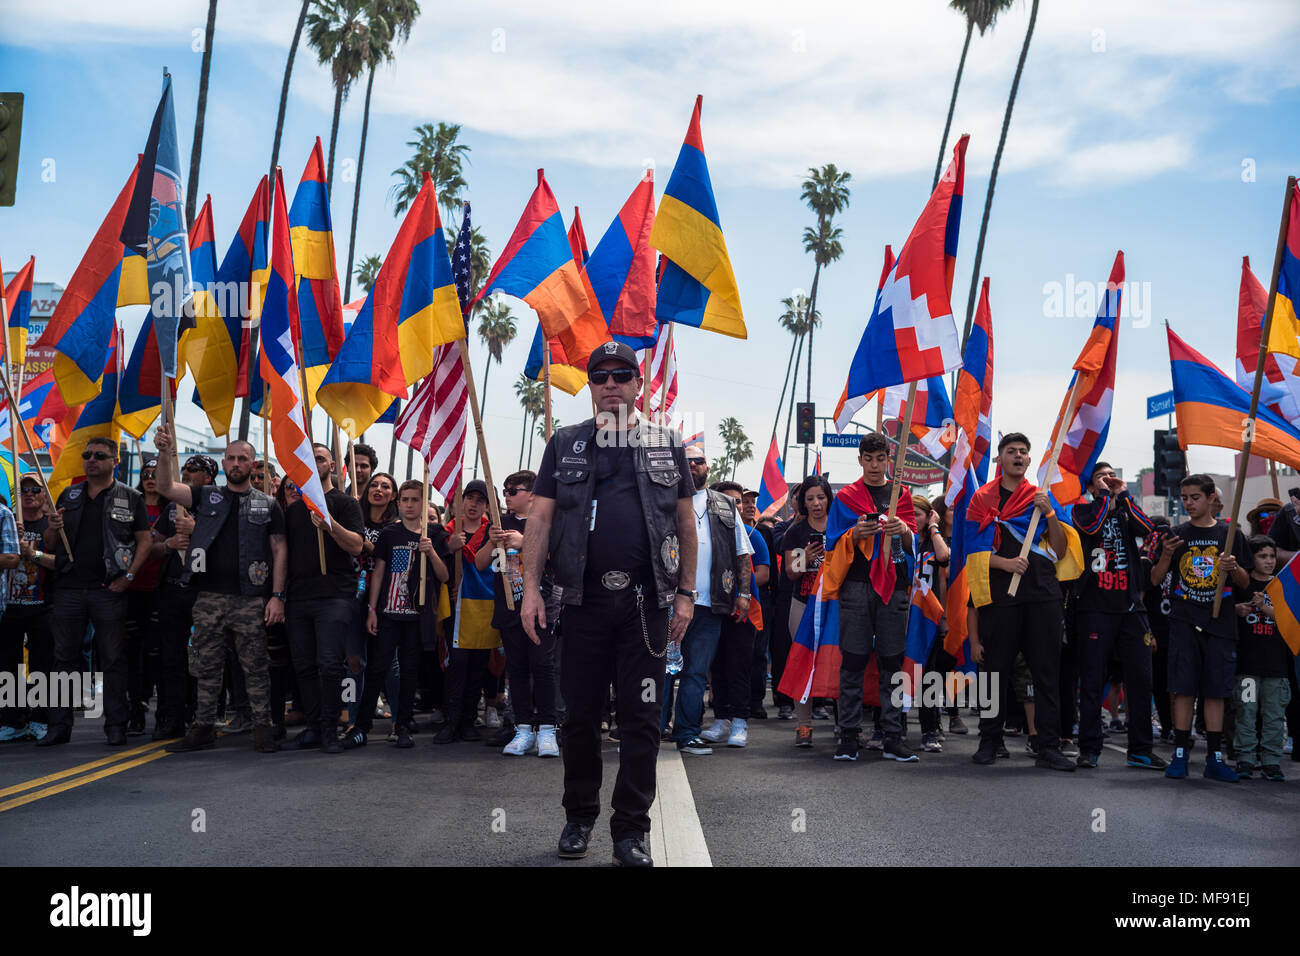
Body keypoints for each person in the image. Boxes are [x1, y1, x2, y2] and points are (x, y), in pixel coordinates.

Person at [522, 340, 696, 868]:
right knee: (578, 717)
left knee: (642, 719)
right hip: (581, 602)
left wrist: (685, 593)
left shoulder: (667, 443)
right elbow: (541, 519)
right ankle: (579, 817)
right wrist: (530, 587)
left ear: (638, 384)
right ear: (591, 385)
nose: (611, 383)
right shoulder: (566, 443)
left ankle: (631, 830)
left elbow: (686, 524)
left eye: (622, 374)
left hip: (646, 604)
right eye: (601, 376)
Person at [153, 427, 287, 754]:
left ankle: (262, 729)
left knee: (255, 666)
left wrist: (277, 596)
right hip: (209, 597)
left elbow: (281, 551)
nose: (237, 463)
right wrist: (163, 451)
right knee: (206, 665)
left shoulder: (268, 505)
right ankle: (203, 728)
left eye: (243, 458)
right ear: (224, 463)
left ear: (253, 464)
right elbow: (166, 487)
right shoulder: (206, 496)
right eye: (232, 458)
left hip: (251, 598)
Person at [967, 433, 1078, 772]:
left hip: (1043, 593)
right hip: (1001, 594)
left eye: (1023, 452)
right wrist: (1004, 563)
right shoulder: (982, 499)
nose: (1018, 455)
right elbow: (972, 552)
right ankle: (989, 740)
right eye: (1011, 451)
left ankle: (1048, 745)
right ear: (1000, 459)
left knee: (1046, 673)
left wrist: (1049, 515)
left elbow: (1060, 550)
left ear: (1030, 461)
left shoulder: (1041, 497)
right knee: (994, 672)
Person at [39, 438, 151, 747]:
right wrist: (52, 525)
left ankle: (116, 725)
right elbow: (50, 543)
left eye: (99, 456)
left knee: (113, 659)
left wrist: (129, 576)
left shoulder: (130, 497)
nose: (91, 460)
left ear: (114, 460)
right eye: (87, 455)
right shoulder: (69, 494)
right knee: (63, 659)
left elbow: (144, 540)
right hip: (69, 588)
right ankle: (58, 727)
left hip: (108, 588)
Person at [1146, 473, 1254, 782]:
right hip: (1183, 622)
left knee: (1215, 690)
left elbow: (1245, 584)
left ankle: (1215, 758)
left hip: (1219, 624)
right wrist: (1166, 554)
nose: (1189, 503)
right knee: (1182, 688)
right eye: (1184, 498)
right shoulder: (1176, 534)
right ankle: (1179, 753)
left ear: (1211, 499)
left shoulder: (1230, 535)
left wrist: (1233, 568)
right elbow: (1154, 580)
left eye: (1195, 498)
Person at [829, 433, 919, 763]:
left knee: (892, 661)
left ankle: (893, 736)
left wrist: (903, 531)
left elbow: (914, 543)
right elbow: (831, 542)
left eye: (880, 458)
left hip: (893, 585)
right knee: (852, 660)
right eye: (868, 459)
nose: (874, 465)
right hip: (855, 585)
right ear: (860, 460)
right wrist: (854, 534)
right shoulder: (847, 497)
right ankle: (849, 735)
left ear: (888, 461)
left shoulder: (902, 495)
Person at [1070, 462, 1165, 770]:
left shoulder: (1125, 510)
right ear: (1090, 485)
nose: (1108, 480)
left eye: (1112, 475)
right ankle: (1089, 747)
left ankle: (1140, 748)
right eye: (1101, 476)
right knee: (1093, 679)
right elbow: (1091, 528)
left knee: (1140, 679)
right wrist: (1101, 497)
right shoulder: (1081, 509)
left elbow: (1147, 529)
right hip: (1095, 608)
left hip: (1130, 607)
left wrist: (1123, 495)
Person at [342, 479, 449, 749]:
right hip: (389, 612)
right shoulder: (391, 534)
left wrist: (432, 552)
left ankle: (402, 725)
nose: (410, 505)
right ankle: (361, 727)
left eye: (415, 500)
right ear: (398, 503)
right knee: (377, 668)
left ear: (424, 504)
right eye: (405, 500)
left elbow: (444, 575)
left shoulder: (435, 534)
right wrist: (373, 609)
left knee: (409, 672)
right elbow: (379, 572)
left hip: (417, 616)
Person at [280, 443, 365, 753]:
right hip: (299, 597)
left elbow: (356, 545)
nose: (314, 463)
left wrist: (329, 524)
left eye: (320, 458)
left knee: (329, 664)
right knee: (303, 665)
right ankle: (314, 728)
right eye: (309, 458)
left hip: (335, 596)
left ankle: (331, 729)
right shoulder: (294, 509)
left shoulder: (345, 504)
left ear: (332, 465)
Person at [671, 448, 753, 755]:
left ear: (708, 467)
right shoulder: (664, 498)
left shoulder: (725, 506)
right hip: (667, 602)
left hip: (709, 604)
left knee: (695, 671)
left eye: (699, 460)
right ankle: (648, 733)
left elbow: (743, 554)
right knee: (659, 672)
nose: (693, 464)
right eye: (687, 460)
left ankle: (688, 733)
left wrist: (743, 594)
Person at [482, 470, 563, 757]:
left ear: (532, 494)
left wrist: (523, 541)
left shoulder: (547, 521)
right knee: (516, 668)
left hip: (542, 605)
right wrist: (492, 542)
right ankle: (523, 728)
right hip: (508, 607)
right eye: (504, 490)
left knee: (543, 666)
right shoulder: (499, 523)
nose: (506, 496)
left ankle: (548, 729)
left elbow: (561, 559)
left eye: (512, 490)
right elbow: (480, 563)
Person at [151, 455, 217, 739]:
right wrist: (168, 543)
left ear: (209, 478)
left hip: (203, 593)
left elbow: (232, 550)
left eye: (195, 470)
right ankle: (172, 717)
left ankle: (201, 718)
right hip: (172, 592)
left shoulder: (218, 507)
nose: (188, 473)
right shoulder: (171, 510)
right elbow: (151, 546)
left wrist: (197, 533)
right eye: (185, 469)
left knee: (202, 658)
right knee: (171, 658)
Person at [700, 480, 768, 749]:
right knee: (717, 667)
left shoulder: (754, 535)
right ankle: (721, 719)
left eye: (737, 501)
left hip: (744, 611)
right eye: (726, 500)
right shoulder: (704, 532)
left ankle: (740, 721)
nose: (734, 506)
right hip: (713, 608)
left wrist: (741, 594)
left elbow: (762, 573)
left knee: (739, 666)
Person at [434, 480, 499, 744]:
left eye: (479, 500)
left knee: (478, 665)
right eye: (469, 498)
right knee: (457, 664)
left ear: (487, 505)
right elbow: (434, 560)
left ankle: (469, 720)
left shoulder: (493, 532)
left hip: (484, 604)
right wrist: (449, 547)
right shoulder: (446, 531)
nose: (473, 504)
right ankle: (452, 721)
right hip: (456, 606)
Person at [780, 476, 835, 745]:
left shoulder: (841, 525)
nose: (816, 503)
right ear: (803, 503)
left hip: (835, 606)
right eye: (810, 499)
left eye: (821, 497)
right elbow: (790, 572)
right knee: (802, 662)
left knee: (838, 663)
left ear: (828, 499)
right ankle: (804, 726)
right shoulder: (794, 532)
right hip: (802, 605)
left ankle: (846, 726)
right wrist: (806, 557)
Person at [1232, 535, 1290, 781]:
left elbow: (1291, 620)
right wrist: (1237, 610)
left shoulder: (1282, 586)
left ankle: (1271, 760)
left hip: (1276, 667)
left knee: (1274, 714)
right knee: (1246, 711)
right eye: (1262, 556)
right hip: (1248, 665)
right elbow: (1224, 612)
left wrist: (1266, 608)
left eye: (1272, 556)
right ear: (1251, 558)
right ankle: (1245, 758)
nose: (1268, 561)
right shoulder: (1241, 584)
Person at [0, 477, 50, 741]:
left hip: (42, 606)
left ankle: (40, 718)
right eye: (23, 490)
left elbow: (64, 562)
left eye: (35, 489)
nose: (29, 494)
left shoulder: (51, 526)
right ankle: (12, 719)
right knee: (8, 666)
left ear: (44, 494)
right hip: (9, 606)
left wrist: (33, 555)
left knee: (42, 666)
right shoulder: (8, 521)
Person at [125, 459, 166, 735]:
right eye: (146, 474)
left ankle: (158, 708)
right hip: (131, 588)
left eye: (155, 473)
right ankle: (135, 709)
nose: (150, 478)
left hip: (159, 590)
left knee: (155, 651)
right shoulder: (130, 506)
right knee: (130, 652)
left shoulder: (172, 508)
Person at [740, 489, 776, 718]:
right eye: (744, 502)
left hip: (759, 602)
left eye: (752, 502)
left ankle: (755, 700)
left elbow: (765, 573)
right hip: (728, 603)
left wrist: (738, 584)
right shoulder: (725, 531)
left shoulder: (760, 533)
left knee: (757, 653)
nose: (750, 505)